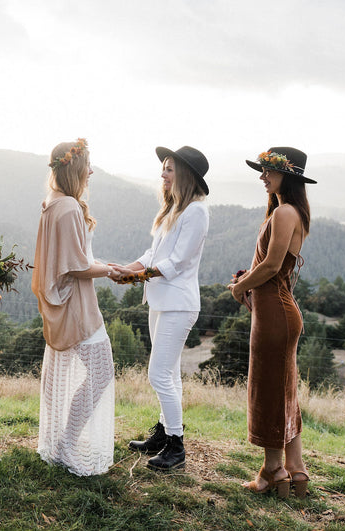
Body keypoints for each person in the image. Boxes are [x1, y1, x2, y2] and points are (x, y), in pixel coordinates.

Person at [110, 146, 210, 471]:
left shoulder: (196, 212)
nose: (163, 174)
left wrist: (137, 276)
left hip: (178, 304)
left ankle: (176, 447)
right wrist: (127, 269)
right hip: (161, 301)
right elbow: (153, 253)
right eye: (163, 169)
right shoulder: (172, 211)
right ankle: (165, 434)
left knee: (157, 374)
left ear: (184, 175)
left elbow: (177, 262)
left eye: (169, 169)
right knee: (169, 374)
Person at [228, 147, 315, 499]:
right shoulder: (292, 212)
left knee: (267, 392)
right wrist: (250, 283)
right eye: (262, 170)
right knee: (284, 392)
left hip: (275, 315)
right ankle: (295, 469)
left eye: (268, 170)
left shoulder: (283, 212)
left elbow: (271, 265)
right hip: (278, 311)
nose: (262, 176)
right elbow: (272, 269)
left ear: (287, 176)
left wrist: (239, 286)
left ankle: (271, 471)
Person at [31, 138, 116, 476]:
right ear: (74, 169)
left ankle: (56, 440)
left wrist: (109, 265)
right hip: (79, 305)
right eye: (87, 166)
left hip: (70, 300)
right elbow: (77, 266)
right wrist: (110, 270)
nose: (91, 171)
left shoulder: (54, 202)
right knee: (101, 372)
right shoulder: (66, 207)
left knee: (60, 370)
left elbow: (74, 258)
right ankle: (66, 443)